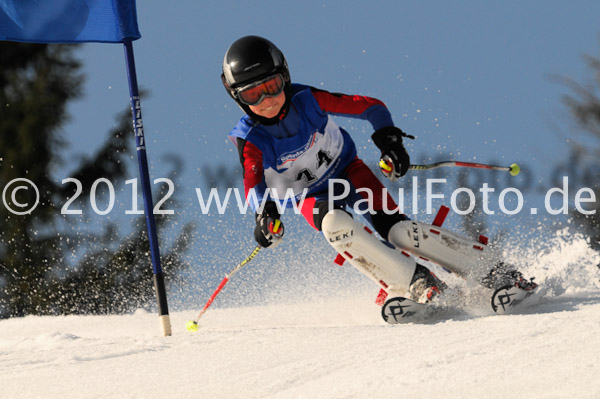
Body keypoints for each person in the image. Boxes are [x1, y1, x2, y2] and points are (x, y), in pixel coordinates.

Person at [221, 35, 532, 305]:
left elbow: (371, 107)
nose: (266, 100)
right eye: (252, 94)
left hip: (347, 171)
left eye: (272, 86)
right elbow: (253, 181)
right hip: (308, 196)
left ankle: (492, 270)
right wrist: (265, 216)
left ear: (285, 76)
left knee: (397, 231)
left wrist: (389, 142)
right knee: (335, 226)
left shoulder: (307, 100)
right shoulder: (251, 138)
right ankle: (418, 282)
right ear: (236, 96)